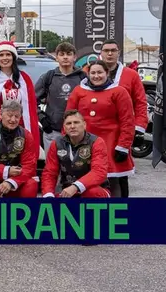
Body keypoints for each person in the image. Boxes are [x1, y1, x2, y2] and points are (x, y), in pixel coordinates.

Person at [66, 61, 135, 197]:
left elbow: (127, 121)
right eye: (93, 73)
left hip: (112, 143)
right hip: (84, 144)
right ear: (88, 74)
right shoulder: (79, 91)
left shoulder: (119, 92)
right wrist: (67, 141)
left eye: (100, 72)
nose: (96, 76)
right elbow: (68, 117)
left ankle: (120, 213)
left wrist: (123, 146)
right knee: (86, 182)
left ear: (107, 73)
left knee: (115, 181)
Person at [98, 39, 148, 196]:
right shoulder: (93, 72)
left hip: (121, 132)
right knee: (96, 171)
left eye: (113, 50)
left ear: (118, 52)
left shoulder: (131, 75)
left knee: (120, 172)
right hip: (97, 131)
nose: (110, 53)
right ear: (101, 53)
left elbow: (141, 103)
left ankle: (123, 210)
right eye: (106, 50)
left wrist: (138, 128)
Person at [41, 110, 111, 198]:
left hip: (96, 190)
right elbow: (49, 172)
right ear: (64, 127)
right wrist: (48, 194)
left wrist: (76, 186)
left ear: (84, 125)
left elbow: (99, 172)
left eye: (76, 122)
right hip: (68, 191)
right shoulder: (56, 144)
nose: (72, 126)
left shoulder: (97, 142)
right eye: (69, 123)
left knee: (91, 192)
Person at [35, 42, 84, 156]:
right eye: (62, 54)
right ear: (56, 57)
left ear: (74, 57)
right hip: (53, 131)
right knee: (52, 168)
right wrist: (41, 118)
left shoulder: (83, 77)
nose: (65, 57)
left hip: (78, 133)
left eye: (69, 54)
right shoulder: (48, 77)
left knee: (78, 168)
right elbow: (31, 100)